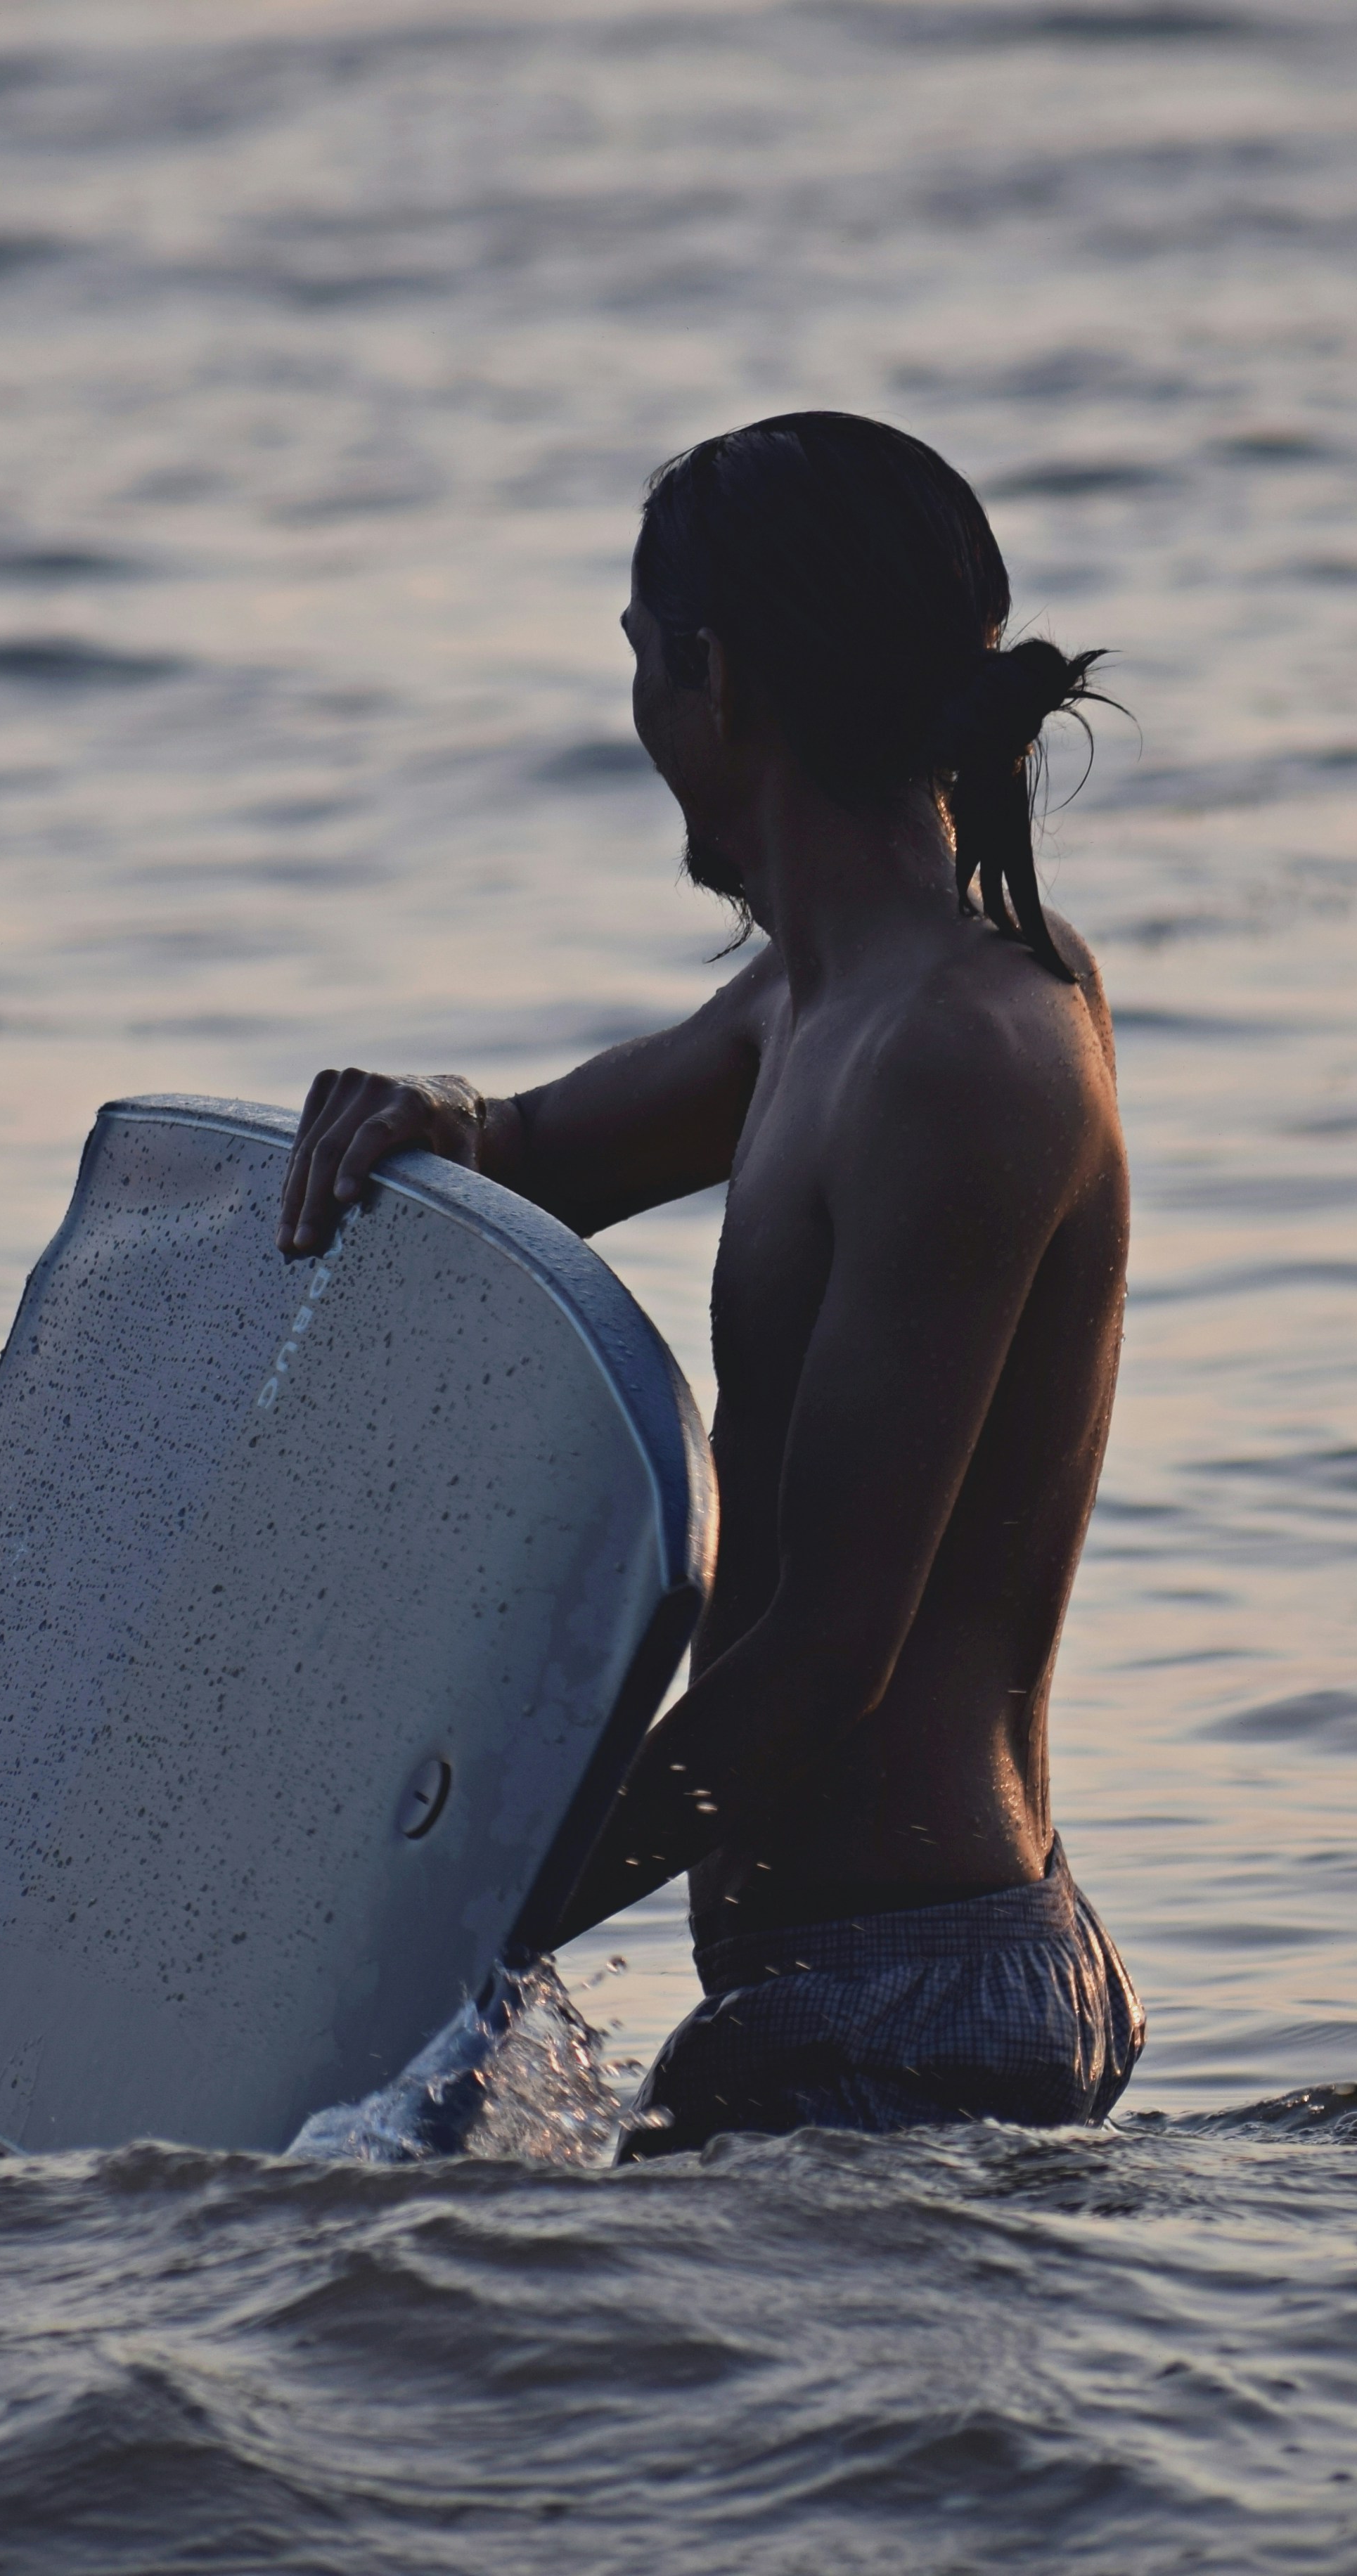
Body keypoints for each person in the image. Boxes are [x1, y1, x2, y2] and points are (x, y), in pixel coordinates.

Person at [274, 412, 1140, 2156]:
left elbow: (829, 1654)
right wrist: (425, 1111)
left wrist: (448, 1914)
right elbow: (528, 1157)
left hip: (912, 2004)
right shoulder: (809, 1010)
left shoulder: (960, 1055)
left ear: (713, 684)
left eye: (639, 666)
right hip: (836, 1987)